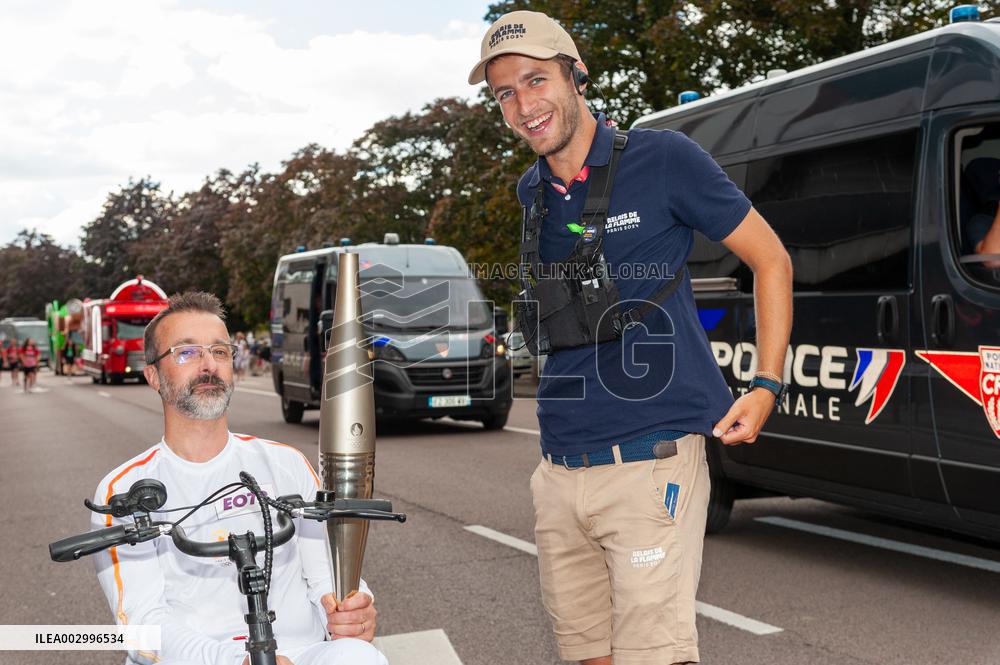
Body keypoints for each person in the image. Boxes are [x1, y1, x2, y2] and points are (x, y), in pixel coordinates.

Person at [469, 11, 793, 665]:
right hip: (559, 469)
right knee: (587, 651)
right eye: (505, 92)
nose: (524, 104)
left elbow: (772, 259)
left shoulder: (665, 159)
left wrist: (766, 384)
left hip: (650, 463)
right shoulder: (531, 191)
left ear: (575, 75)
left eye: (536, 80)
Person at [91, 292, 386, 665]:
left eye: (219, 351)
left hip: (300, 653)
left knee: (360, 656)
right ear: (153, 374)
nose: (208, 365)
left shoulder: (285, 463)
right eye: (186, 353)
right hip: (198, 661)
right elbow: (144, 625)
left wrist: (352, 607)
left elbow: (326, 575)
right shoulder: (124, 491)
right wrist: (235, 661)